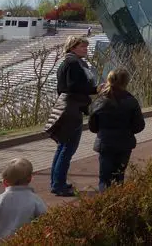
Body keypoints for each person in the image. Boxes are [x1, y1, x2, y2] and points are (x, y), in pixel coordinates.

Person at [44, 36, 96, 196]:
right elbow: (74, 86)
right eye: (82, 47)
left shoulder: (67, 62)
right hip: (72, 109)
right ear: (73, 47)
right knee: (68, 148)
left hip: (68, 107)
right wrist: (95, 90)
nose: (85, 49)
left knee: (63, 147)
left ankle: (57, 182)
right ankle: (58, 185)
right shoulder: (73, 63)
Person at [89, 68, 145, 191]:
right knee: (119, 176)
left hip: (105, 143)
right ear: (126, 82)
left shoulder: (99, 101)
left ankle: (103, 202)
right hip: (124, 143)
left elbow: (92, 127)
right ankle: (118, 203)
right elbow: (139, 125)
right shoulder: (131, 101)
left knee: (104, 178)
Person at [0, 158, 47, 242]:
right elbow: (45, 221)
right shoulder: (36, 200)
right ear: (30, 178)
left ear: (4, 182)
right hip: (23, 242)